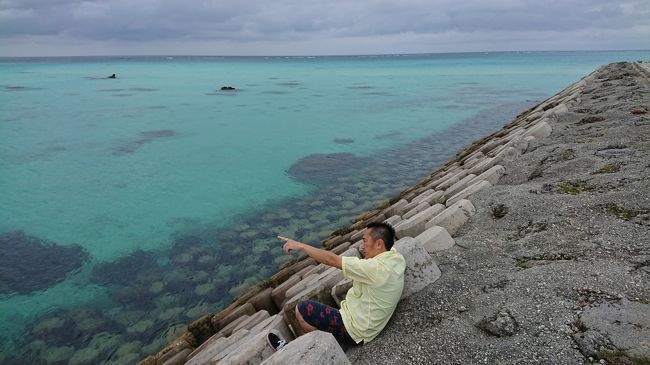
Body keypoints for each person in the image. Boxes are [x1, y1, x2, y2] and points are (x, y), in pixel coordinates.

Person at [277, 222, 405, 346]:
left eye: (365, 241)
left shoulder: (375, 268)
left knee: (302, 309)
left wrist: (300, 246)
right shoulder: (394, 258)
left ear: (379, 244)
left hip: (355, 330)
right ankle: (303, 346)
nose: (362, 246)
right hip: (364, 322)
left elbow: (331, 260)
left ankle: (323, 350)